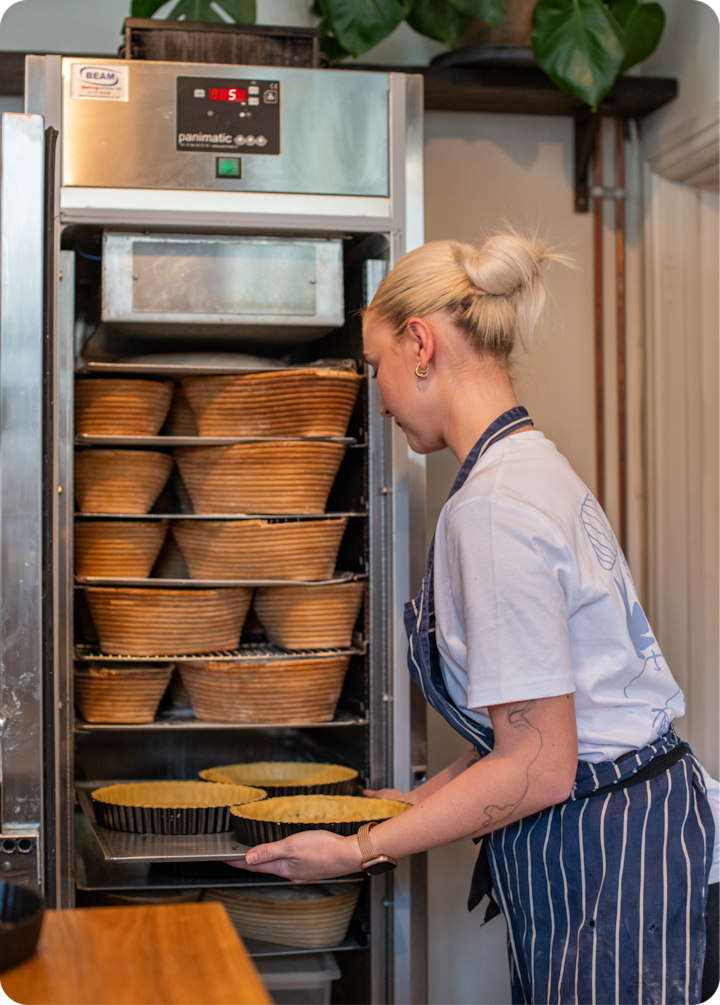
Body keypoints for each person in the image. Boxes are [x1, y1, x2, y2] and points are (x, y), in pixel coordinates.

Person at [232, 234, 720, 1005]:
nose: (380, 396)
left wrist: (358, 848)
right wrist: (393, 807)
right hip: (623, 832)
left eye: (377, 365)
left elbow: (538, 763)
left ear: (420, 342)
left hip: (614, 866)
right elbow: (534, 734)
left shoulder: (493, 509)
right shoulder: (530, 468)